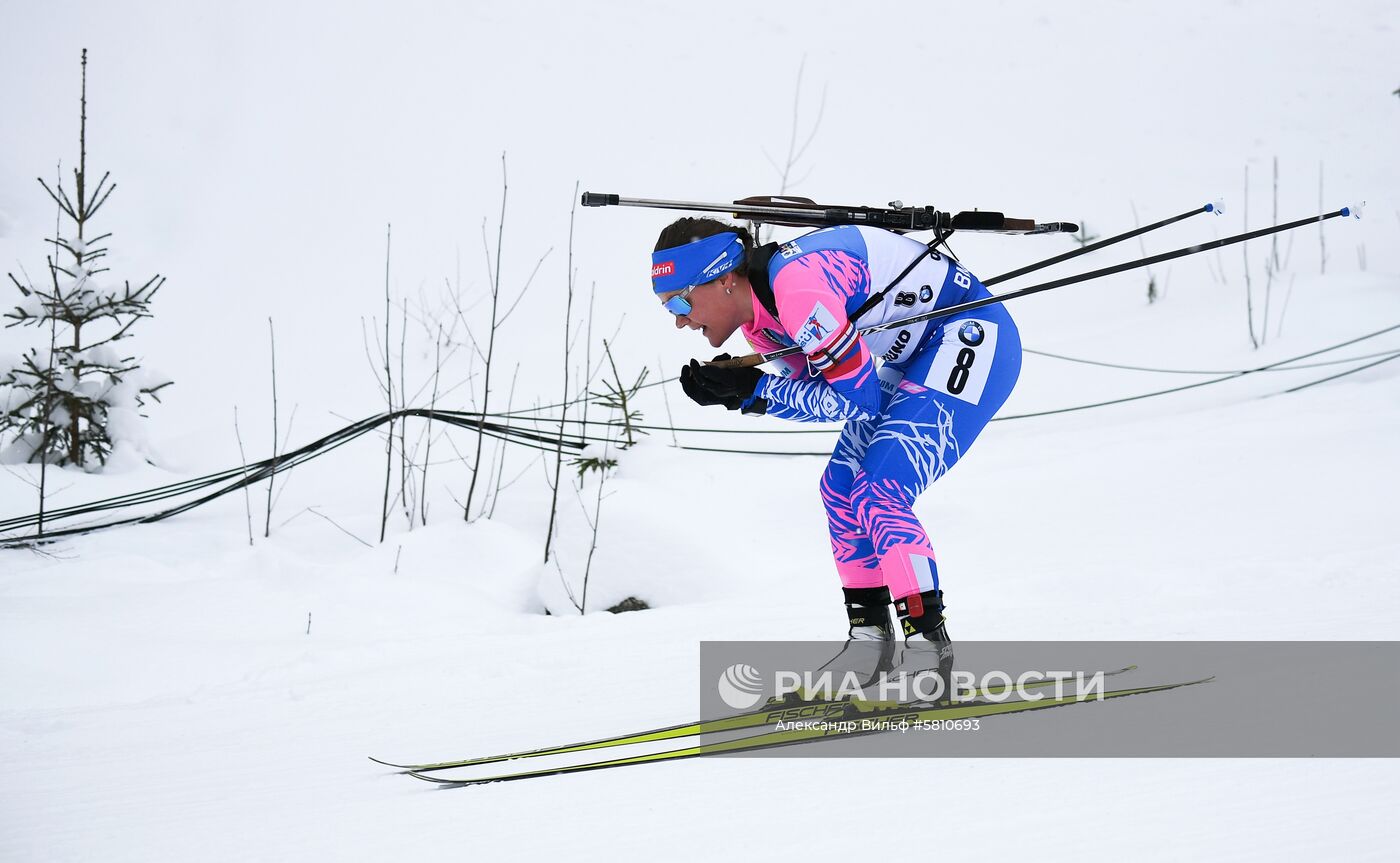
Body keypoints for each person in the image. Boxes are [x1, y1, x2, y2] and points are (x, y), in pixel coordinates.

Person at [651, 217, 1023, 702]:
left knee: (880, 490)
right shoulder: (762, 325)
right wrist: (747, 394)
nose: (679, 320)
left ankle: (930, 654)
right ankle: (869, 644)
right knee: (840, 489)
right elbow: (826, 393)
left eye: (680, 302)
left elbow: (856, 400)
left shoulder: (797, 291)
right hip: (912, 355)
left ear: (723, 279)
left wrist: (758, 391)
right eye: (668, 309)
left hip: (968, 335)